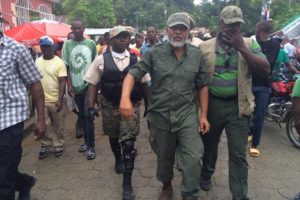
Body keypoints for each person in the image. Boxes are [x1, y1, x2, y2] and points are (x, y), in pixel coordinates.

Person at [120, 13, 210, 200]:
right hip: (160, 116)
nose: (178, 32)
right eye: (174, 28)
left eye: (182, 29)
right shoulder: (154, 53)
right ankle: (167, 185)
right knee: (164, 158)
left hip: (186, 115)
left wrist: (203, 115)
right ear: (167, 30)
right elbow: (132, 74)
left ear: (188, 31)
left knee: (193, 157)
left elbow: (202, 86)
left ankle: (189, 193)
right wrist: (124, 98)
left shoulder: (196, 55)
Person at [199, 6, 270, 199]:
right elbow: (196, 80)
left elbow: (265, 69)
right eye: (230, 25)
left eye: (237, 25)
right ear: (221, 24)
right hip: (213, 105)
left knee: (238, 154)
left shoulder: (249, 44)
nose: (234, 29)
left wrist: (242, 48)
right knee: (209, 146)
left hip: (239, 106)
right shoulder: (205, 46)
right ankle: (206, 173)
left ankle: (239, 194)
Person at [84, 25, 148, 200]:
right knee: (113, 137)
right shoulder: (100, 60)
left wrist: (149, 105)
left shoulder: (136, 59)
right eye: (119, 37)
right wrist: (90, 106)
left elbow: (143, 83)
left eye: (126, 36)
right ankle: (117, 158)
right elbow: (92, 84)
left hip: (131, 107)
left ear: (130, 39)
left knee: (128, 143)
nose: (123, 39)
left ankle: (127, 184)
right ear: (110, 40)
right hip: (110, 106)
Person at [0, 28, 46, 199]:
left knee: (4, 179)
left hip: (9, 121)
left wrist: (40, 119)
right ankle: (24, 182)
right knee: (5, 172)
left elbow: (35, 83)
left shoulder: (16, 50)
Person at [62, 18, 97, 160]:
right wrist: (69, 85)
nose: (77, 31)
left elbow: (96, 66)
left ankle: (91, 146)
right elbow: (66, 67)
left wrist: (95, 87)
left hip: (89, 87)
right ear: (71, 29)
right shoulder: (67, 45)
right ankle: (86, 142)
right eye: (74, 28)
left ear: (84, 28)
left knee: (89, 116)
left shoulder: (91, 44)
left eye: (79, 28)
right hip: (75, 89)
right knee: (81, 117)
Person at [248, 20, 281, 157]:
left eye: (264, 32)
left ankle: (255, 144)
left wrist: (253, 58)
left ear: (267, 32)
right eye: (260, 31)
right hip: (249, 82)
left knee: (260, 115)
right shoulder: (253, 41)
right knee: (247, 112)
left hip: (263, 85)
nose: (261, 34)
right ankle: (250, 132)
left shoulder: (274, 44)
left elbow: (268, 63)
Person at [35, 36, 67, 159]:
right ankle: (45, 143)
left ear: (52, 47)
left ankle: (58, 144)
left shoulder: (59, 62)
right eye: (43, 46)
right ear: (41, 47)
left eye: (48, 46)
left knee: (58, 124)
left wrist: (59, 99)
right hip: (41, 101)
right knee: (42, 124)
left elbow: (62, 82)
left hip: (55, 100)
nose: (45, 49)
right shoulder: (37, 61)